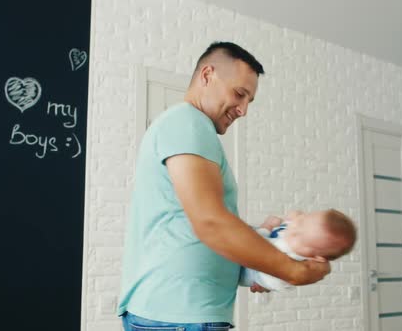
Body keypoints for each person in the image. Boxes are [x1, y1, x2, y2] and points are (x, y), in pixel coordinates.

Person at [117, 41, 331, 331]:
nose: (243, 110)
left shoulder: (191, 128)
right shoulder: (187, 122)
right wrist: (292, 270)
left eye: (249, 102)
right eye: (239, 94)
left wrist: (257, 263)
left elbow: (199, 226)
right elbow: (211, 223)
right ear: (207, 75)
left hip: (182, 314)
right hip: (179, 315)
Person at [240, 209, 357, 291]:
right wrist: (295, 217)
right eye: (302, 222)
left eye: (298, 236)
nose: (293, 229)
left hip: (248, 271)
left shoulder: (287, 250)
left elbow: (255, 245)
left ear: (315, 257)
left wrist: (266, 227)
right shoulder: (300, 236)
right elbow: (294, 218)